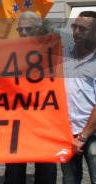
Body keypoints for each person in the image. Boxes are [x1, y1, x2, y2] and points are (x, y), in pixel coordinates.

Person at [4, 11, 56, 184]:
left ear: (39, 30)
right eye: (21, 30)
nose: (24, 33)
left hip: (45, 125)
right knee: (14, 173)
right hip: (16, 125)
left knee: (46, 172)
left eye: (29, 29)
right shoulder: (7, 53)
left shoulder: (53, 53)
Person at [62, 11, 96, 184]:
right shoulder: (63, 56)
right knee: (69, 180)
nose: (76, 32)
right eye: (74, 26)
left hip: (92, 135)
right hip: (67, 133)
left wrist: (82, 137)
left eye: (82, 29)